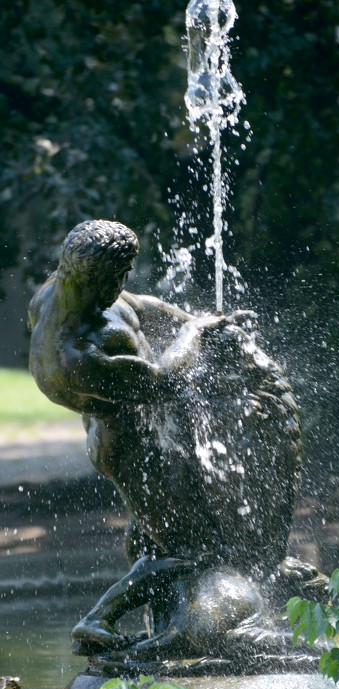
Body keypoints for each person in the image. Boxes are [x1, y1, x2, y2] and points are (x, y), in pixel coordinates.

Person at [28, 220, 319, 660]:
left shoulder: (72, 288)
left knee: (168, 538)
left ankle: (152, 622)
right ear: (92, 274)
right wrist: (194, 334)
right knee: (188, 549)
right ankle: (99, 622)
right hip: (129, 447)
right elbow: (162, 382)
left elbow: (143, 305)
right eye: (118, 275)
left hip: (153, 434)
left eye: (125, 272)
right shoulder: (69, 358)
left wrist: (201, 321)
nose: (123, 283)